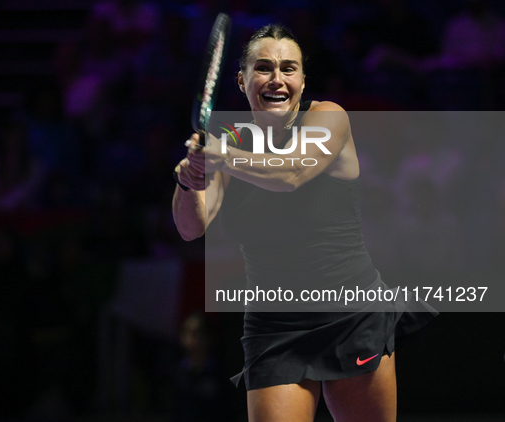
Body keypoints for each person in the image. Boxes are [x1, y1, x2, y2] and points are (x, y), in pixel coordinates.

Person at [172, 24, 436, 421]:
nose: (277, 78)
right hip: (274, 323)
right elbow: (191, 227)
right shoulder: (230, 138)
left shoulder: (328, 118)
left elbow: (291, 173)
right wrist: (188, 180)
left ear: (302, 80)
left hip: (351, 312)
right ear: (242, 80)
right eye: (263, 67)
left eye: (288, 68)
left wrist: (221, 156)